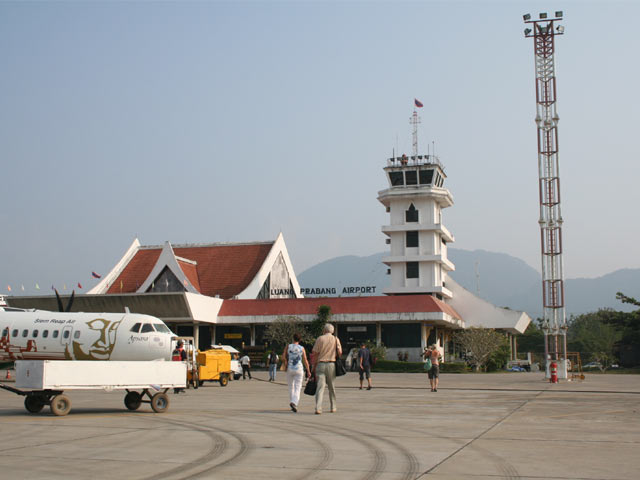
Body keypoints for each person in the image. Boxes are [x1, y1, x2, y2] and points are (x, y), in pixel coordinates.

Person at [311, 323, 342, 414]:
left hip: (321, 364)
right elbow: (340, 352)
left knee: (320, 387)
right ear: (332, 331)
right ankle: (333, 407)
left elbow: (315, 353)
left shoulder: (320, 339)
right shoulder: (336, 339)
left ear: (324, 330)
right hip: (331, 364)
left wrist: (314, 366)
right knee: (331, 387)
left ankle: (318, 408)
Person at [282, 332, 311, 412]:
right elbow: (305, 360)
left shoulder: (288, 346)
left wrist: (285, 363)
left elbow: (283, 356)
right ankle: (294, 402)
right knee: (298, 387)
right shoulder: (302, 348)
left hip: (290, 369)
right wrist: (308, 371)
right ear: (300, 340)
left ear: (293, 338)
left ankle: (292, 402)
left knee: (291, 386)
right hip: (299, 369)